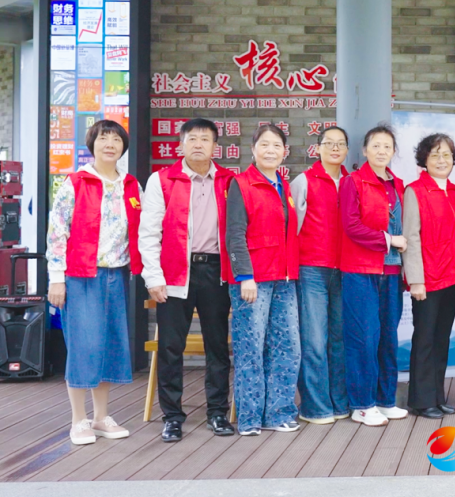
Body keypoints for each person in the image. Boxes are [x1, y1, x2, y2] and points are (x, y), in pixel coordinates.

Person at [139, 118, 236, 442]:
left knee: (217, 346)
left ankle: (217, 412)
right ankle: (172, 416)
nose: (198, 144)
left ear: (215, 147)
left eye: (205, 139)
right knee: (170, 346)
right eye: (192, 138)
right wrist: (153, 276)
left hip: (216, 272)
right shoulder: (162, 180)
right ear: (180, 145)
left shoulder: (228, 181)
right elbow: (149, 232)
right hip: (175, 272)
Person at [47, 120, 142, 445]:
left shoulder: (131, 185)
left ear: (123, 146)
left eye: (116, 139)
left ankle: (101, 417)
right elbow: (57, 233)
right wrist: (56, 279)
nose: (110, 144)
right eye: (103, 138)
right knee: (84, 345)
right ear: (92, 144)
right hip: (80, 275)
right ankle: (79, 420)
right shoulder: (76, 182)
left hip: (117, 275)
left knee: (109, 344)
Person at [226, 124, 302, 436]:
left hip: (285, 278)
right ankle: (249, 418)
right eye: (264, 145)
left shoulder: (284, 185)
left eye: (276, 145)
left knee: (287, 347)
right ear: (253, 149)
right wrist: (245, 276)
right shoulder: (241, 184)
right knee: (250, 348)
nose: (271, 150)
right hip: (253, 281)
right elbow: (235, 234)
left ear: (285, 151)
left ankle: (279, 413)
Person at [339, 124, 409, 426]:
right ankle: (362, 404)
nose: (382, 151)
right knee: (364, 338)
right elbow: (351, 225)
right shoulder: (353, 182)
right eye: (376, 145)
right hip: (360, 270)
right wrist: (388, 239)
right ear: (365, 150)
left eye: (387, 146)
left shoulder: (398, 184)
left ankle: (385, 400)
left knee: (388, 338)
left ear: (394, 152)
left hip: (391, 271)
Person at [403, 133, 455, 419]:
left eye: (446, 155)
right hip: (427, 279)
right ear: (424, 160)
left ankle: (438, 397)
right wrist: (416, 279)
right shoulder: (415, 191)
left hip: (452, 276)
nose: (442, 161)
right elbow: (411, 237)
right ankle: (420, 400)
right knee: (425, 339)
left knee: (442, 339)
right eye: (435, 155)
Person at [291, 126, 350, 424]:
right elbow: (292, 226)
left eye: (341, 144)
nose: (335, 148)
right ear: (318, 149)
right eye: (329, 143)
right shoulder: (303, 181)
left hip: (345, 270)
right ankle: (315, 407)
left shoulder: (352, 183)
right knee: (314, 340)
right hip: (311, 269)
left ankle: (339, 403)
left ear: (347, 150)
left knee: (339, 340)